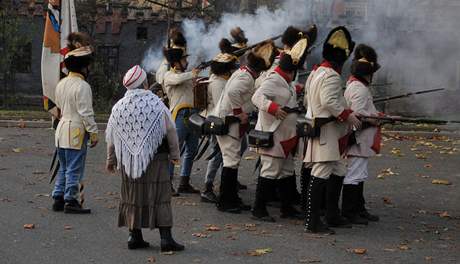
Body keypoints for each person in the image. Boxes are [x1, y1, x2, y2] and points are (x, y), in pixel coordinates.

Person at [106, 65, 184, 252]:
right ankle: (166, 239)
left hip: (128, 161)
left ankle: (134, 236)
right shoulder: (156, 103)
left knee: (132, 196)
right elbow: (171, 130)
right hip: (156, 158)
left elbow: (111, 136)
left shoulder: (119, 107)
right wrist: (175, 154)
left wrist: (111, 159)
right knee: (160, 197)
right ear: (144, 83)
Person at [302, 26, 361, 234]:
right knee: (320, 174)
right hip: (327, 132)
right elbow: (328, 101)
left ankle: (332, 215)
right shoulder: (332, 76)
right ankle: (312, 221)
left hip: (328, 130)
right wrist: (348, 115)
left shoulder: (318, 72)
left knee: (338, 170)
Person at [251, 37, 312, 222]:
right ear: (291, 70)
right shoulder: (274, 79)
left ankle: (287, 208)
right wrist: (274, 108)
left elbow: (289, 94)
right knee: (269, 170)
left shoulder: (286, 81)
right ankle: (259, 209)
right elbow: (257, 97)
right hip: (273, 133)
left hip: (286, 134)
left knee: (286, 170)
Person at [214, 41, 276, 213]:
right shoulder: (246, 76)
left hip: (229, 121)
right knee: (231, 161)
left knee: (231, 161)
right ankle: (226, 201)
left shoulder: (244, 72)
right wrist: (239, 112)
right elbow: (233, 92)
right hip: (229, 121)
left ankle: (231, 198)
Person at [51, 32, 98, 214]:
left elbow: (59, 108)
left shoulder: (61, 84)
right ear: (83, 67)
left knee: (64, 166)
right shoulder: (83, 86)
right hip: (76, 131)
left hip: (62, 129)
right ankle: (71, 200)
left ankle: (58, 197)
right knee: (74, 168)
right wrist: (93, 133)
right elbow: (86, 113)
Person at [342, 44, 382, 225]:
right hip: (357, 138)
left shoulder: (356, 85)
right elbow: (357, 116)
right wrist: (373, 120)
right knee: (354, 175)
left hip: (361, 139)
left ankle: (359, 208)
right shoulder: (359, 88)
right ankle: (350, 211)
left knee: (360, 174)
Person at [200, 50, 239, 203]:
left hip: (219, 121)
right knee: (216, 155)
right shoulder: (218, 83)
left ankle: (226, 184)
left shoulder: (220, 80)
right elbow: (220, 106)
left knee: (223, 156)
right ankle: (207, 187)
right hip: (217, 123)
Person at [163, 44, 202, 194]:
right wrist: (192, 74)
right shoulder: (169, 75)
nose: (186, 61)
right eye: (184, 59)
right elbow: (176, 80)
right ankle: (167, 183)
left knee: (192, 149)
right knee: (174, 150)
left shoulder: (185, 75)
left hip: (192, 114)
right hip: (179, 114)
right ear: (176, 62)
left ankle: (184, 182)